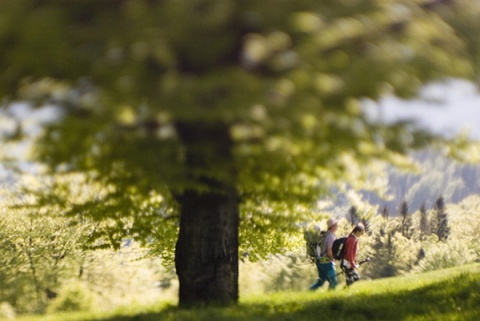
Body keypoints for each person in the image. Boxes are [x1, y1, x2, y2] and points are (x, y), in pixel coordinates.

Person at [309, 218, 338, 291]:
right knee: (333, 282)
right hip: (326, 263)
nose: (337, 226)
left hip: (319, 262)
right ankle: (330, 299)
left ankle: (309, 292)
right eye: (336, 224)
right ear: (332, 226)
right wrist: (333, 259)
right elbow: (329, 251)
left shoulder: (324, 234)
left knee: (320, 281)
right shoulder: (330, 237)